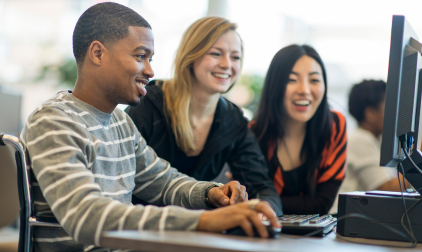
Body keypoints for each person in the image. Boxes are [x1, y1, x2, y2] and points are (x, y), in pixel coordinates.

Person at [20, 3, 279, 252]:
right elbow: (86, 216)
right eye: (140, 56)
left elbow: (164, 182)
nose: (151, 70)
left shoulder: (122, 123)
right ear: (97, 53)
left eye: (151, 58)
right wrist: (204, 221)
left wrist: (212, 193)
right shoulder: (54, 121)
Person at [125, 16, 283, 216]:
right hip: (142, 230)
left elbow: (262, 187)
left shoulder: (233, 120)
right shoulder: (148, 104)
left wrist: (263, 212)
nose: (227, 64)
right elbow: (121, 181)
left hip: (198, 233)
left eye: (235, 57)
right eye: (216, 54)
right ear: (192, 56)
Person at [250, 44, 347, 215]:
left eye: (314, 80)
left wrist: (264, 202)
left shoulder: (335, 125)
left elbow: (321, 204)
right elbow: (249, 200)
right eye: (291, 80)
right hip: (261, 233)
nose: (304, 90)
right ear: (275, 86)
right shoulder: (253, 133)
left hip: (313, 237)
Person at [340, 80, 409, 193]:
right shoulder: (360, 139)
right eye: (390, 107)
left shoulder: (373, 139)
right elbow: (385, 189)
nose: (396, 114)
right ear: (370, 113)